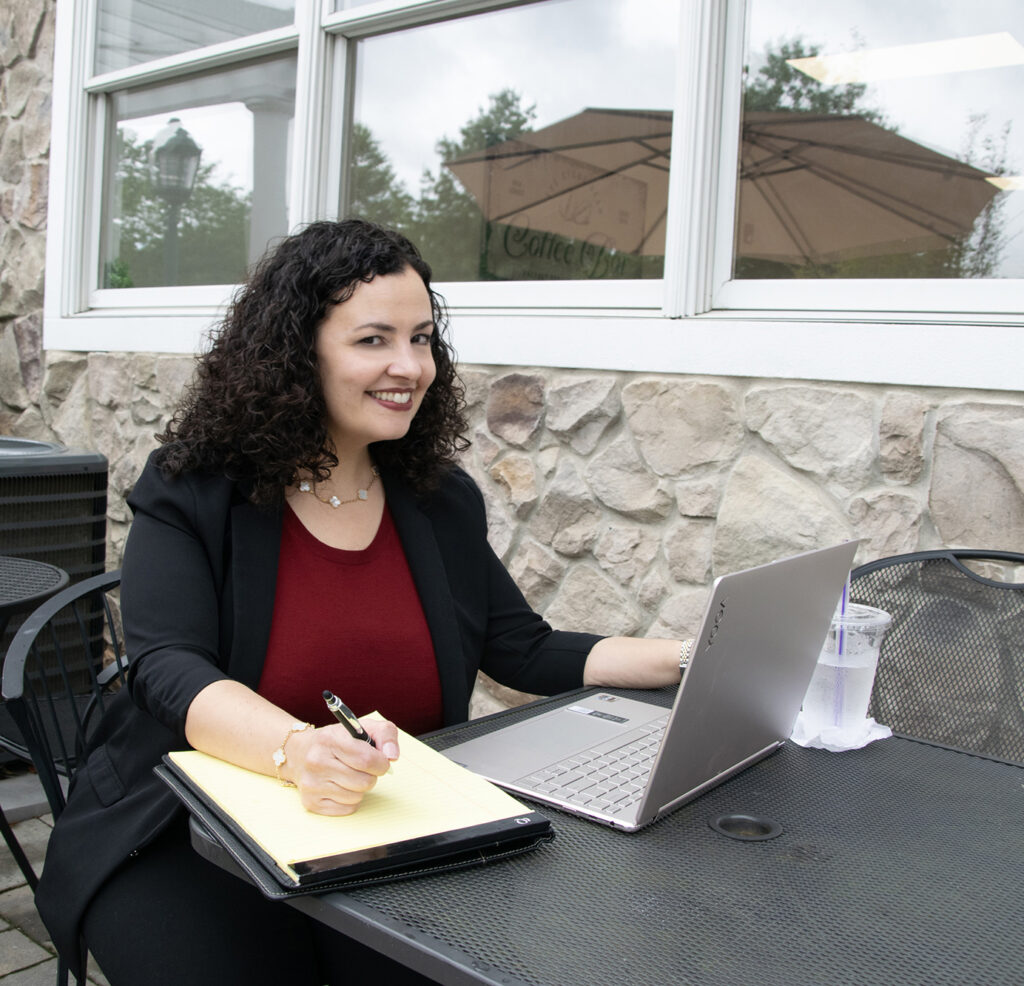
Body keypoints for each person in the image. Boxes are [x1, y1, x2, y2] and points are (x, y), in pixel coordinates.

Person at [34, 219, 686, 985]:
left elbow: (523, 647)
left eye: (422, 338)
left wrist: (688, 655)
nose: (410, 365)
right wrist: (297, 750)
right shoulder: (195, 485)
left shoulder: (439, 501)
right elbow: (169, 667)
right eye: (374, 339)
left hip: (388, 831)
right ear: (295, 351)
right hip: (185, 831)